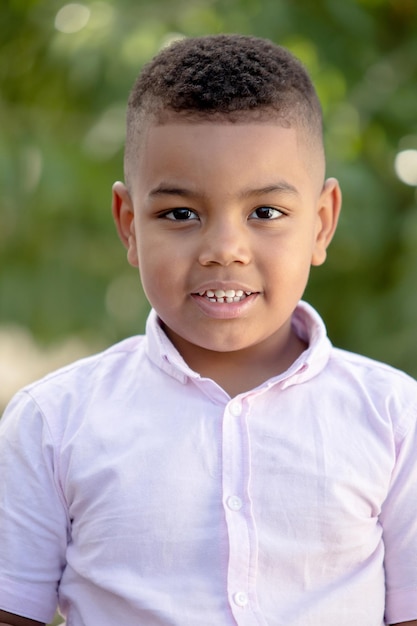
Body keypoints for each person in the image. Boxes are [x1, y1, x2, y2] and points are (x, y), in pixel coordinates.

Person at [0, 34, 416, 626]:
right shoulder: (52, 424)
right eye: (180, 214)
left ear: (321, 224)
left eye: (265, 213)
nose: (224, 250)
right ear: (129, 226)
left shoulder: (395, 419)